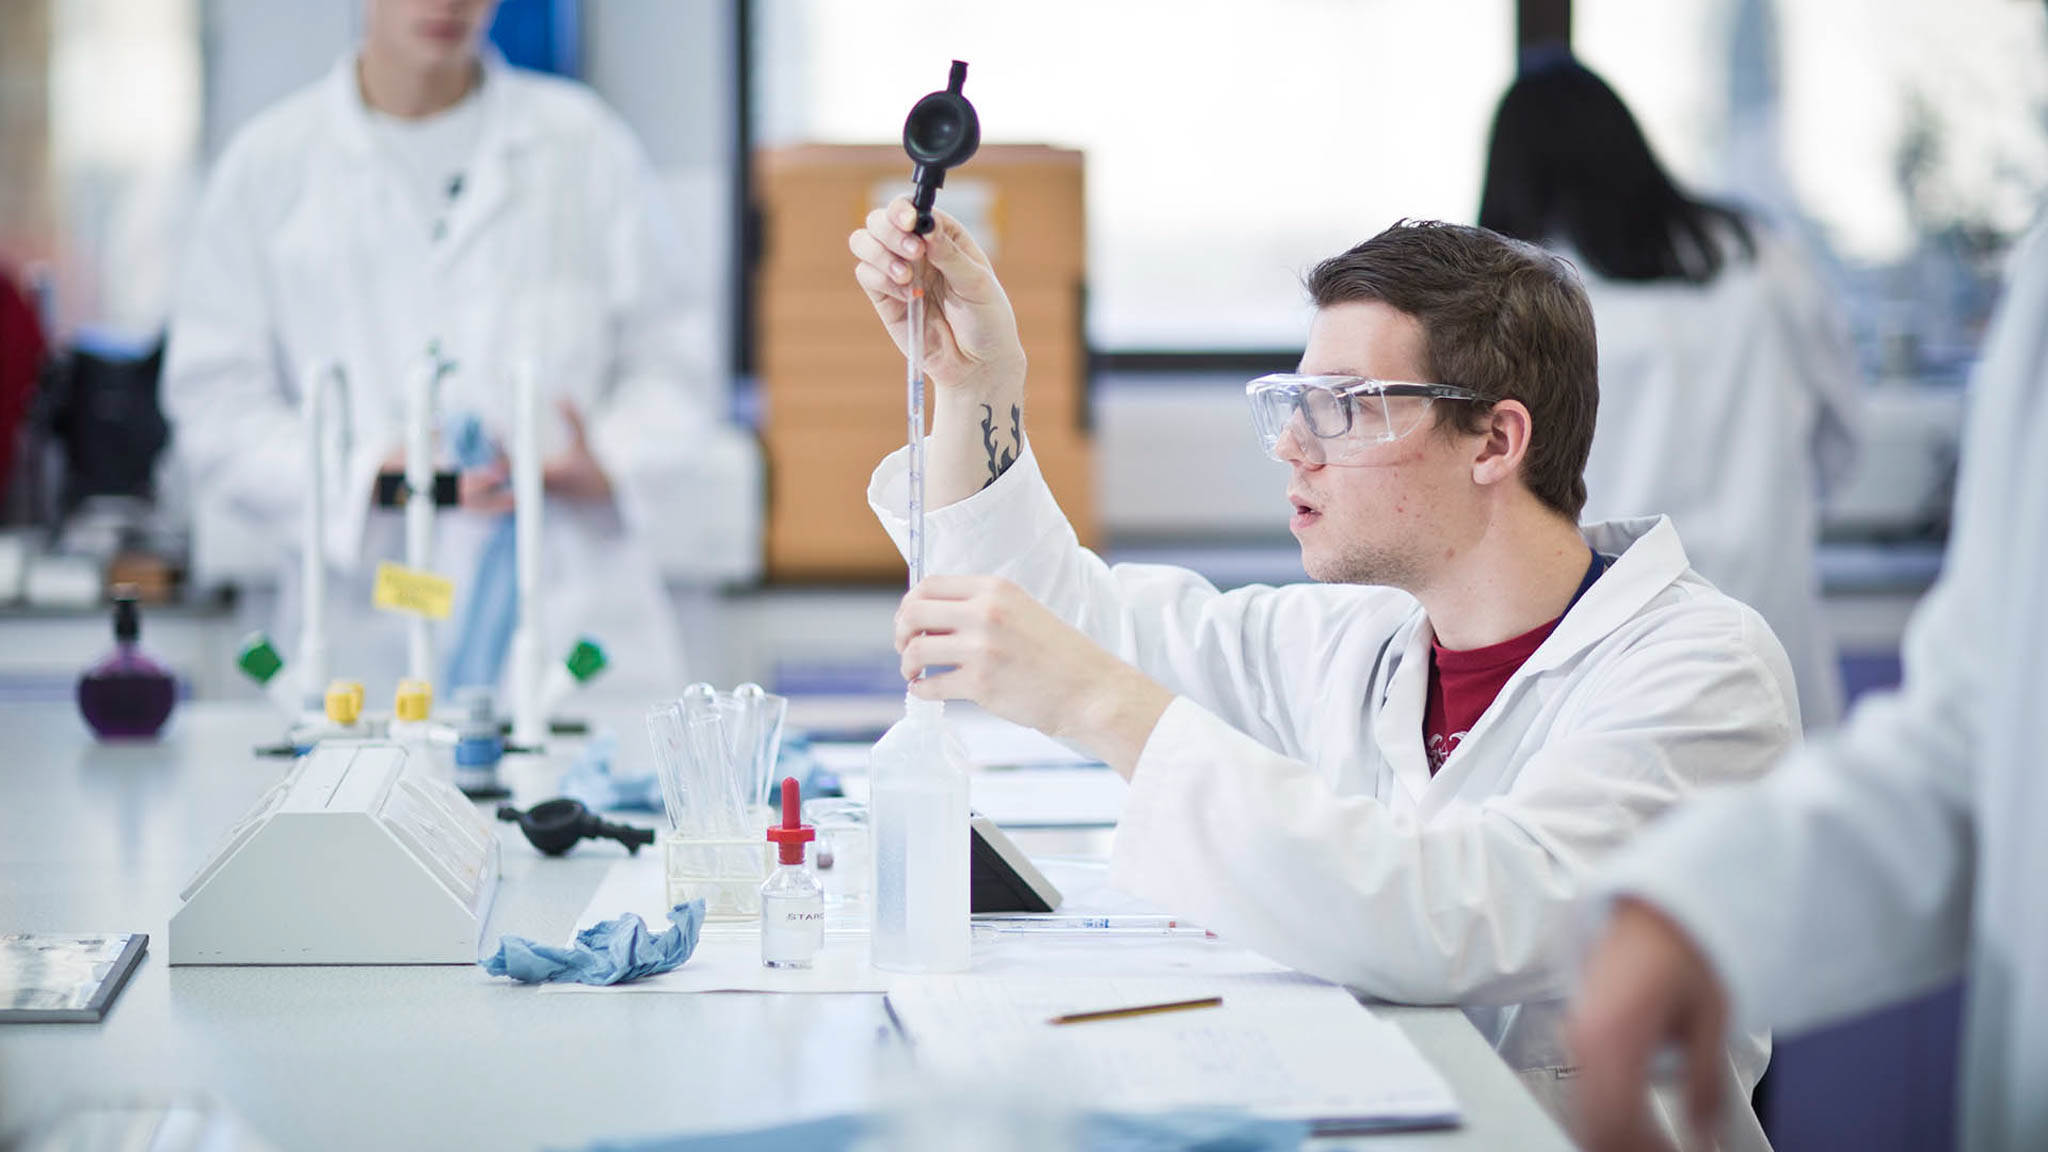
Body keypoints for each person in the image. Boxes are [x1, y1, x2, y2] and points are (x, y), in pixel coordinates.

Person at [850, 198, 1796, 1147]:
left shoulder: (1701, 672)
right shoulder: (1357, 641)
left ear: (1497, 442)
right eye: (1290, 405)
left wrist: (1101, 701)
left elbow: (1460, 914)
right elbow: (1060, 621)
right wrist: (977, 385)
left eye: (1343, 408)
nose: (1294, 448)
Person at [1566, 211, 2048, 1152]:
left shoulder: (1565, 290)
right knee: (1737, 1038)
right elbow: (1982, 747)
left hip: (1642, 646)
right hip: (1752, 637)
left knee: (1721, 1048)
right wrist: (1701, 908)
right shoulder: (1768, 263)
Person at [164, 0, 755, 702]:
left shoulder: (584, 144)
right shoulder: (270, 167)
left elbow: (675, 363)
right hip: (370, 619)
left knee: (587, 803)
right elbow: (214, 404)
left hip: (574, 620)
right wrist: (365, 476)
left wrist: (606, 461)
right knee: (366, 797)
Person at [1479, 56, 1859, 730]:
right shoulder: (1757, 255)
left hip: (1604, 626)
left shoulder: (1517, 293)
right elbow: (1840, 432)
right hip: (1765, 608)